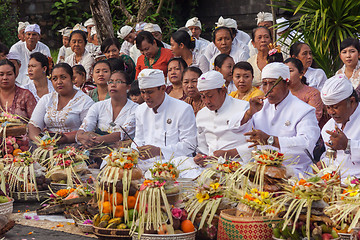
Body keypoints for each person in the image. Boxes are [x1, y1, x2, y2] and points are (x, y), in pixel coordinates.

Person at [230, 62, 320, 174]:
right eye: (264, 84)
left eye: (273, 84)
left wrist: (270, 140)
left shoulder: (304, 110)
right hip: (260, 169)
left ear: (287, 83)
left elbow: (307, 145)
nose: (268, 89)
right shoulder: (260, 106)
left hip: (294, 172)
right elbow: (234, 128)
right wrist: (249, 113)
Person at [132, 69, 198, 173]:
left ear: (163, 88)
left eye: (150, 92)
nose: (145, 97)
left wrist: (159, 151)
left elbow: (189, 145)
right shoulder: (140, 110)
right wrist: (135, 152)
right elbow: (138, 140)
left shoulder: (183, 109)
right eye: (142, 92)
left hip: (176, 164)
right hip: (146, 164)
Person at [194, 71, 250, 166]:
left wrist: (228, 153)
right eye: (203, 97)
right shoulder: (201, 114)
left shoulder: (244, 108)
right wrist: (200, 157)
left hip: (239, 166)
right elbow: (202, 146)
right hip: (210, 167)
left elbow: (256, 145)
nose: (207, 101)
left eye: (210, 96)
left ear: (223, 91)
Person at [28, 63, 94, 144]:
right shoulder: (47, 99)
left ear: (72, 79)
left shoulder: (85, 101)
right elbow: (33, 125)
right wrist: (41, 142)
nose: (59, 82)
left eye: (63, 77)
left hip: (74, 145)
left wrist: (66, 138)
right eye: (54, 79)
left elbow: (88, 129)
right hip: (47, 145)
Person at [77, 70, 138, 148]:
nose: (113, 85)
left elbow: (122, 134)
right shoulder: (98, 106)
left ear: (128, 87)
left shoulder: (136, 109)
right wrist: (80, 136)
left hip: (122, 153)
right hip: (95, 146)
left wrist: (96, 141)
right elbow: (86, 125)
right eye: (110, 82)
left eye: (118, 82)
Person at [320, 75, 360, 179]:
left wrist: (348, 145)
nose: (331, 112)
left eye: (335, 107)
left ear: (351, 101)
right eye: (328, 107)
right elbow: (332, 159)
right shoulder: (328, 127)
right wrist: (323, 163)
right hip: (336, 183)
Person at [284, 58, 323, 122]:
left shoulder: (313, 94)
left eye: (290, 71)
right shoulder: (281, 93)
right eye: (284, 72)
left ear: (301, 73)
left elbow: (313, 118)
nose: (287, 75)